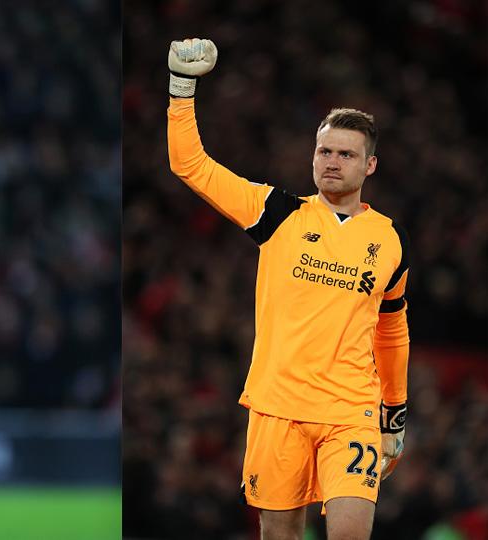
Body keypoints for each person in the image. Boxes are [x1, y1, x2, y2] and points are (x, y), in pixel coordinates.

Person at [167, 38, 409, 540]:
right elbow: (190, 165)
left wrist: (395, 411)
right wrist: (181, 88)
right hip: (278, 408)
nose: (332, 162)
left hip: (351, 412)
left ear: (370, 166)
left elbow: (392, 327)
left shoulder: (388, 240)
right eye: (324, 151)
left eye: (346, 154)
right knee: (279, 534)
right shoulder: (278, 213)